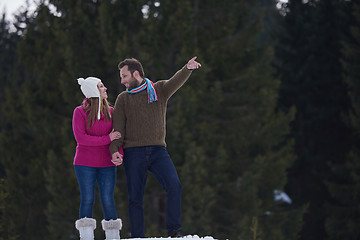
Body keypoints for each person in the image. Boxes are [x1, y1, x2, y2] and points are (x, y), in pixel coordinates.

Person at [110, 57, 201, 238]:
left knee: (174, 186)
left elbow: (175, 81)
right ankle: (137, 236)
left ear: (136, 73)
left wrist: (187, 69)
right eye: (121, 77)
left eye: (125, 76)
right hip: (133, 152)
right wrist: (114, 150)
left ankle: (174, 232)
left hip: (158, 151)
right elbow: (118, 129)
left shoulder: (159, 90)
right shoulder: (123, 99)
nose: (122, 81)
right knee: (135, 198)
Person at [72, 77, 124, 240]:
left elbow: (117, 137)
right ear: (94, 91)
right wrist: (106, 139)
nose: (105, 88)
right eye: (101, 86)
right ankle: (86, 237)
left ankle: (113, 237)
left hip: (107, 163)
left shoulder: (112, 112)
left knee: (108, 199)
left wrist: (119, 153)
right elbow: (82, 139)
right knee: (87, 198)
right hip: (84, 163)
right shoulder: (79, 112)